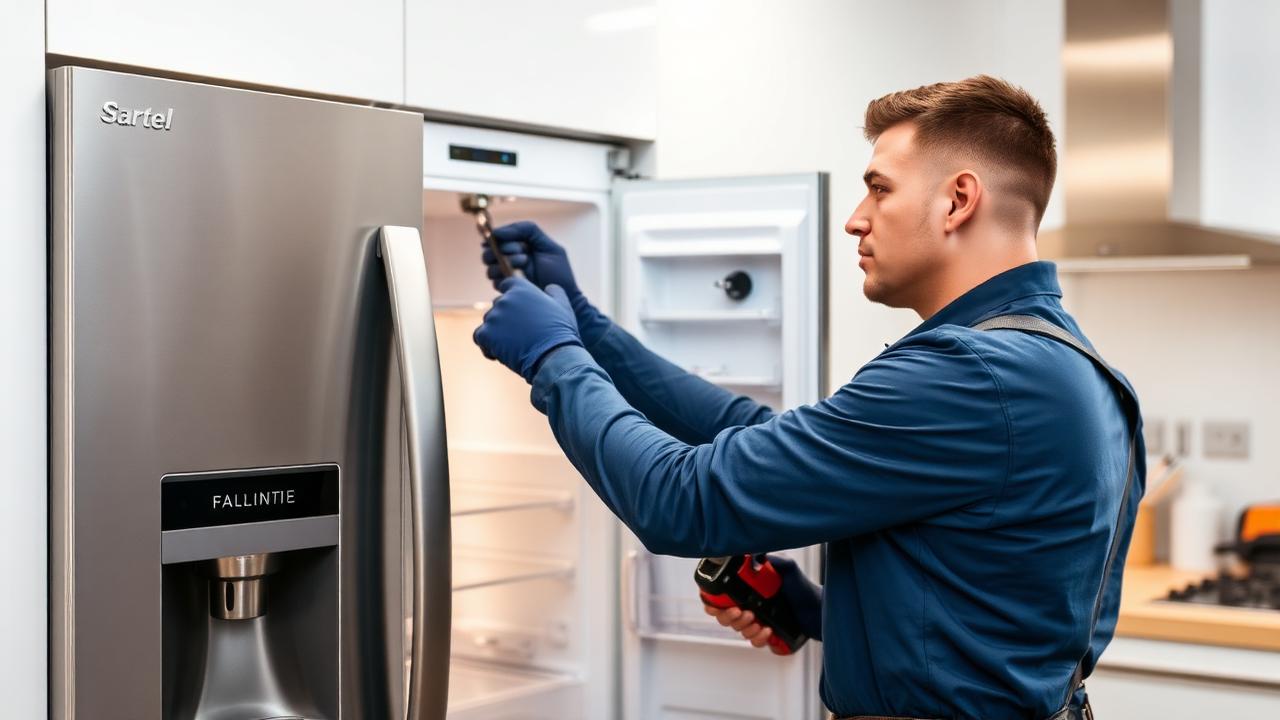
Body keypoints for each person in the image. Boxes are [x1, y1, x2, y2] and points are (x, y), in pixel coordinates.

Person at [471, 75, 1143, 720]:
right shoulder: (1076, 369)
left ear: (958, 200)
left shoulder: (969, 374)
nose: (856, 220)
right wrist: (587, 327)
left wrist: (552, 358)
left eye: (879, 189)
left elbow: (681, 500)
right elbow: (1014, 616)